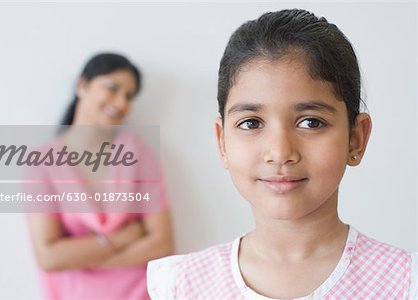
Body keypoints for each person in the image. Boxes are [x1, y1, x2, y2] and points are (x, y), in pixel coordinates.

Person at [147, 9, 418, 299]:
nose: (280, 152)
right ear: (222, 142)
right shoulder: (180, 285)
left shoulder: (404, 283)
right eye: (251, 123)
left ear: (355, 139)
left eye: (310, 122)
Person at [26, 53, 174, 300]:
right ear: (81, 85)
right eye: (112, 88)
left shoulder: (137, 152)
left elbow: (162, 244)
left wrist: (81, 257)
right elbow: (48, 257)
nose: (120, 102)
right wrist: (121, 238)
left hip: (141, 293)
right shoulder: (42, 162)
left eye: (129, 96)